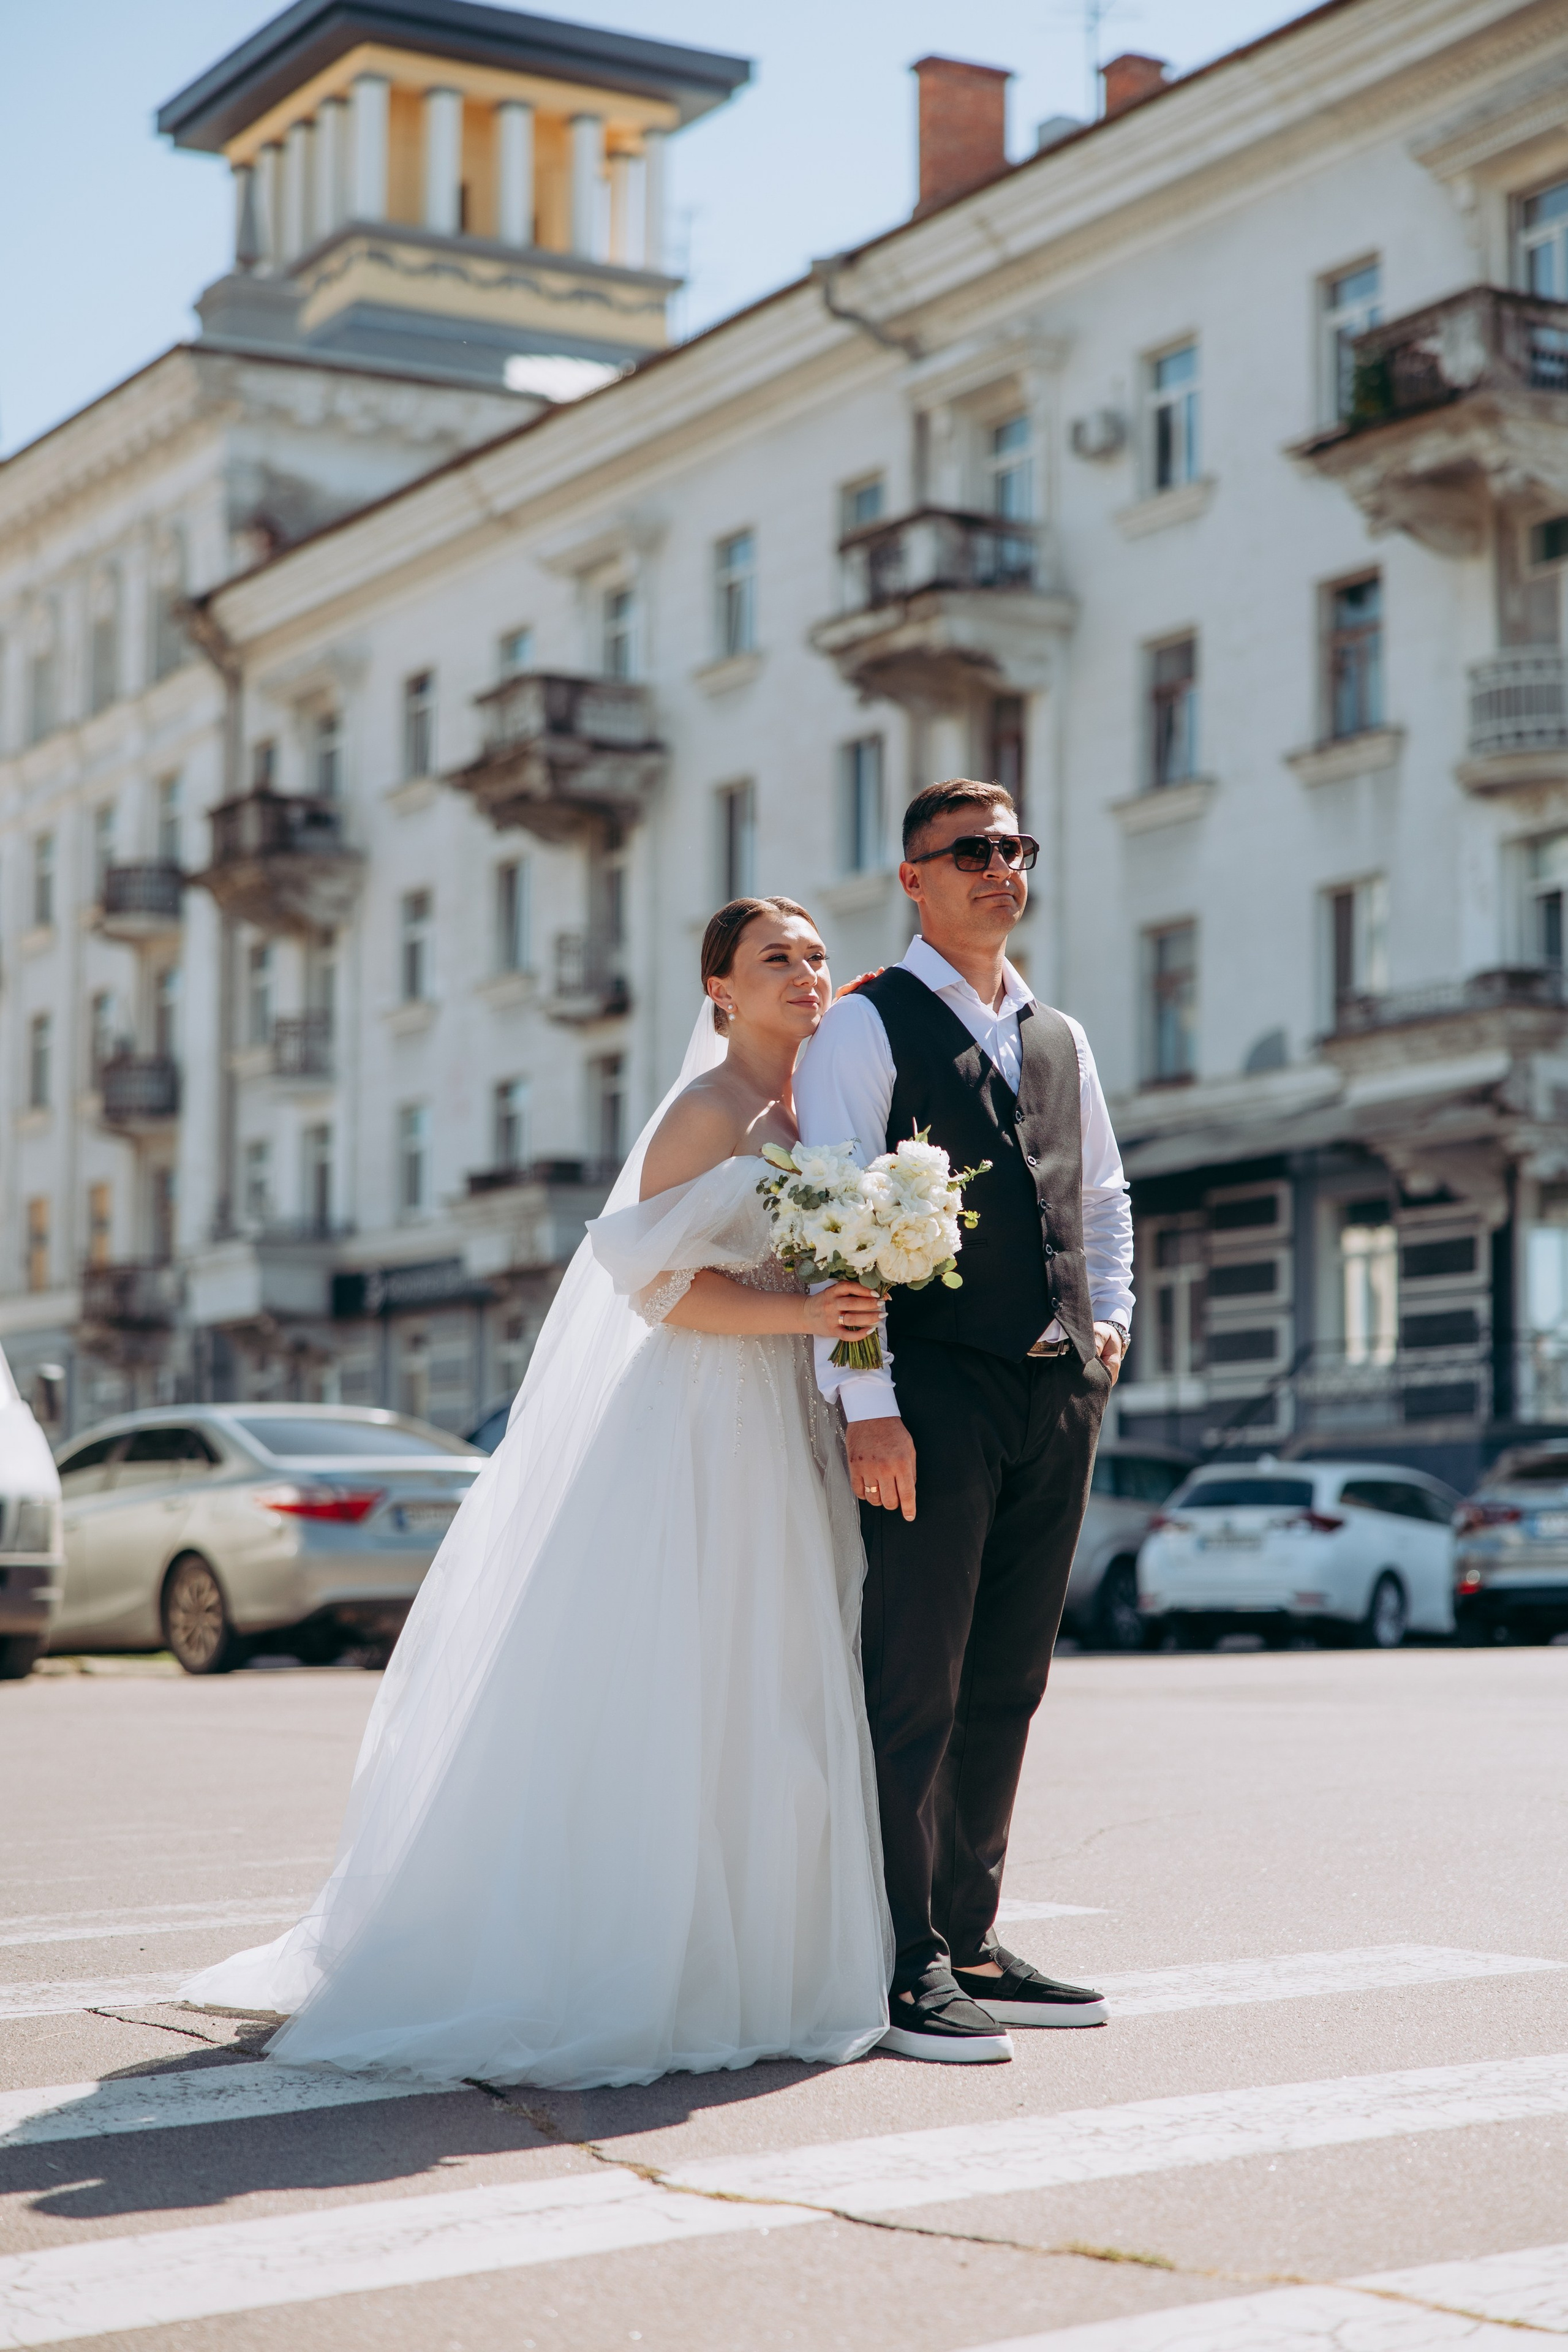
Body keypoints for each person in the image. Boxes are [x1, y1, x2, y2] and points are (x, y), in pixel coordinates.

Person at [180, 898, 894, 2090]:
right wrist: (802, 1311)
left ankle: (779, 1952)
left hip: (788, 1417)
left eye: (817, 956)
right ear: (718, 989)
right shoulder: (705, 1114)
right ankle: (655, 1957)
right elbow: (653, 1291)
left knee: (778, 1672)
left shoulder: (816, 1107)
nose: (804, 974)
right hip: (704, 1419)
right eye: (776, 959)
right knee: (692, 1672)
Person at [794, 778, 1134, 2063]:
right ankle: (902, 1964)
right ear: (913, 878)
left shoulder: (1057, 1033)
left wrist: (1107, 1327)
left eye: (1014, 849)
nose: (1000, 869)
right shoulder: (863, 1029)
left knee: (1008, 1678)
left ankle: (973, 1936)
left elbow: (1098, 1193)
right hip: (928, 1390)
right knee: (913, 1684)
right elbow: (836, 1230)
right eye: (970, 852)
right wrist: (867, 1407)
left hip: (1054, 1391)